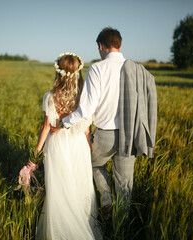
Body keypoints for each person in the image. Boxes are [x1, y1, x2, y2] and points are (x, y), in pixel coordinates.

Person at [52, 27, 138, 218]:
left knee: (93, 164)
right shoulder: (135, 69)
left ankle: (107, 201)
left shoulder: (97, 69)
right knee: (125, 183)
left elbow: (87, 111)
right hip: (130, 134)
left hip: (105, 134)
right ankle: (121, 228)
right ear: (120, 45)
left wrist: (64, 122)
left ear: (101, 46)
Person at [35, 53, 102, 240]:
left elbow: (46, 127)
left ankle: (59, 232)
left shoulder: (50, 96)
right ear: (78, 73)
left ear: (58, 72)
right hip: (78, 144)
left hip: (57, 146)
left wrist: (35, 157)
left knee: (59, 190)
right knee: (80, 187)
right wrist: (89, 150)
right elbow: (87, 130)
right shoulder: (84, 98)